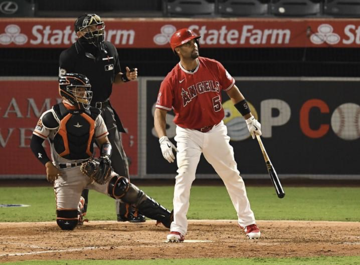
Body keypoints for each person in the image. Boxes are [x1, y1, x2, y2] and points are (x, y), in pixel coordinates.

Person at [154, 28, 263, 242]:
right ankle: (177, 228)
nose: (194, 45)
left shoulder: (213, 66)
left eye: (194, 41)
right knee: (184, 177)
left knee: (232, 174)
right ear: (177, 50)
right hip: (188, 134)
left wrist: (249, 118)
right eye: (187, 43)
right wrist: (163, 139)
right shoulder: (172, 79)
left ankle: (248, 221)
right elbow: (160, 112)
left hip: (216, 130)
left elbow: (233, 92)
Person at [30, 73, 172, 231]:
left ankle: (166, 216)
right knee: (67, 223)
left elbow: (105, 142)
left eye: (85, 90)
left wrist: (105, 158)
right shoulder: (52, 116)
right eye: (79, 90)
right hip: (65, 173)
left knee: (123, 186)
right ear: (66, 91)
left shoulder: (94, 114)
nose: (84, 94)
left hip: (90, 168)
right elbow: (35, 142)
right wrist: (47, 164)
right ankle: (78, 203)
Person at [58, 14, 145, 223]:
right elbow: (62, 89)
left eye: (99, 27)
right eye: (91, 29)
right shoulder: (69, 56)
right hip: (81, 111)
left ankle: (127, 211)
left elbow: (114, 77)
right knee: (80, 161)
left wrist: (125, 78)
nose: (97, 32)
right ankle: (78, 211)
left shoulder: (110, 49)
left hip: (105, 110)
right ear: (80, 33)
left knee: (119, 161)